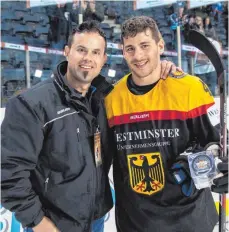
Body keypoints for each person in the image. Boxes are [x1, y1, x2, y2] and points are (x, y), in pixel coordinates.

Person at [1, 20, 181, 232]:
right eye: (81, 50)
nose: (88, 58)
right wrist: (39, 223)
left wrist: (164, 70)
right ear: (67, 52)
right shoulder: (31, 104)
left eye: (96, 52)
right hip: (53, 224)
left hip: (96, 221)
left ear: (104, 59)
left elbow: (143, 95)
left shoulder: (108, 100)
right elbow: (8, 175)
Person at [104, 16, 228, 232]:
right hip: (135, 224)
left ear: (160, 45)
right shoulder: (112, 99)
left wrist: (221, 164)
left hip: (190, 221)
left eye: (145, 46)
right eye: (130, 48)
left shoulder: (191, 88)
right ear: (122, 51)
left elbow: (217, 141)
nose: (138, 55)